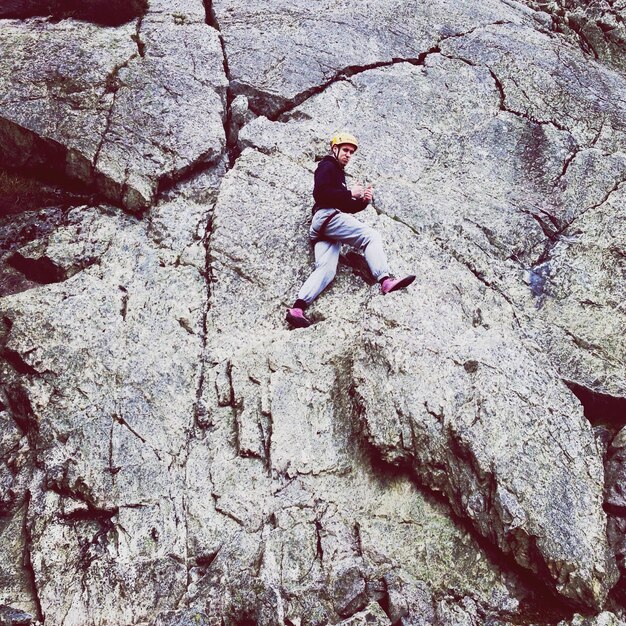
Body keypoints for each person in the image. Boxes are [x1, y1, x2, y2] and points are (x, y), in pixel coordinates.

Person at [286, 132, 415, 328]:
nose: (348, 154)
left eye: (351, 152)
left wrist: (362, 202)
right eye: (345, 150)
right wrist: (348, 192)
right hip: (327, 217)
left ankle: (298, 308)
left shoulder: (338, 172)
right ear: (334, 149)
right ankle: (385, 280)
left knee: (327, 270)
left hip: (324, 227)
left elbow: (344, 204)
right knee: (370, 236)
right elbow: (320, 193)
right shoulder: (327, 166)